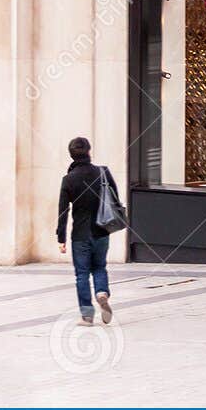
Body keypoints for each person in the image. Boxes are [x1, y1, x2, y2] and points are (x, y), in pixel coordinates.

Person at [56, 137, 117, 325]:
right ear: (89, 150)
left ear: (71, 154)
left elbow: (63, 210)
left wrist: (61, 237)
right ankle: (101, 292)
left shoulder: (68, 180)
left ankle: (87, 316)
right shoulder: (103, 172)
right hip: (102, 230)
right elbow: (114, 197)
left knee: (82, 274)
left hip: (80, 235)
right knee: (99, 266)